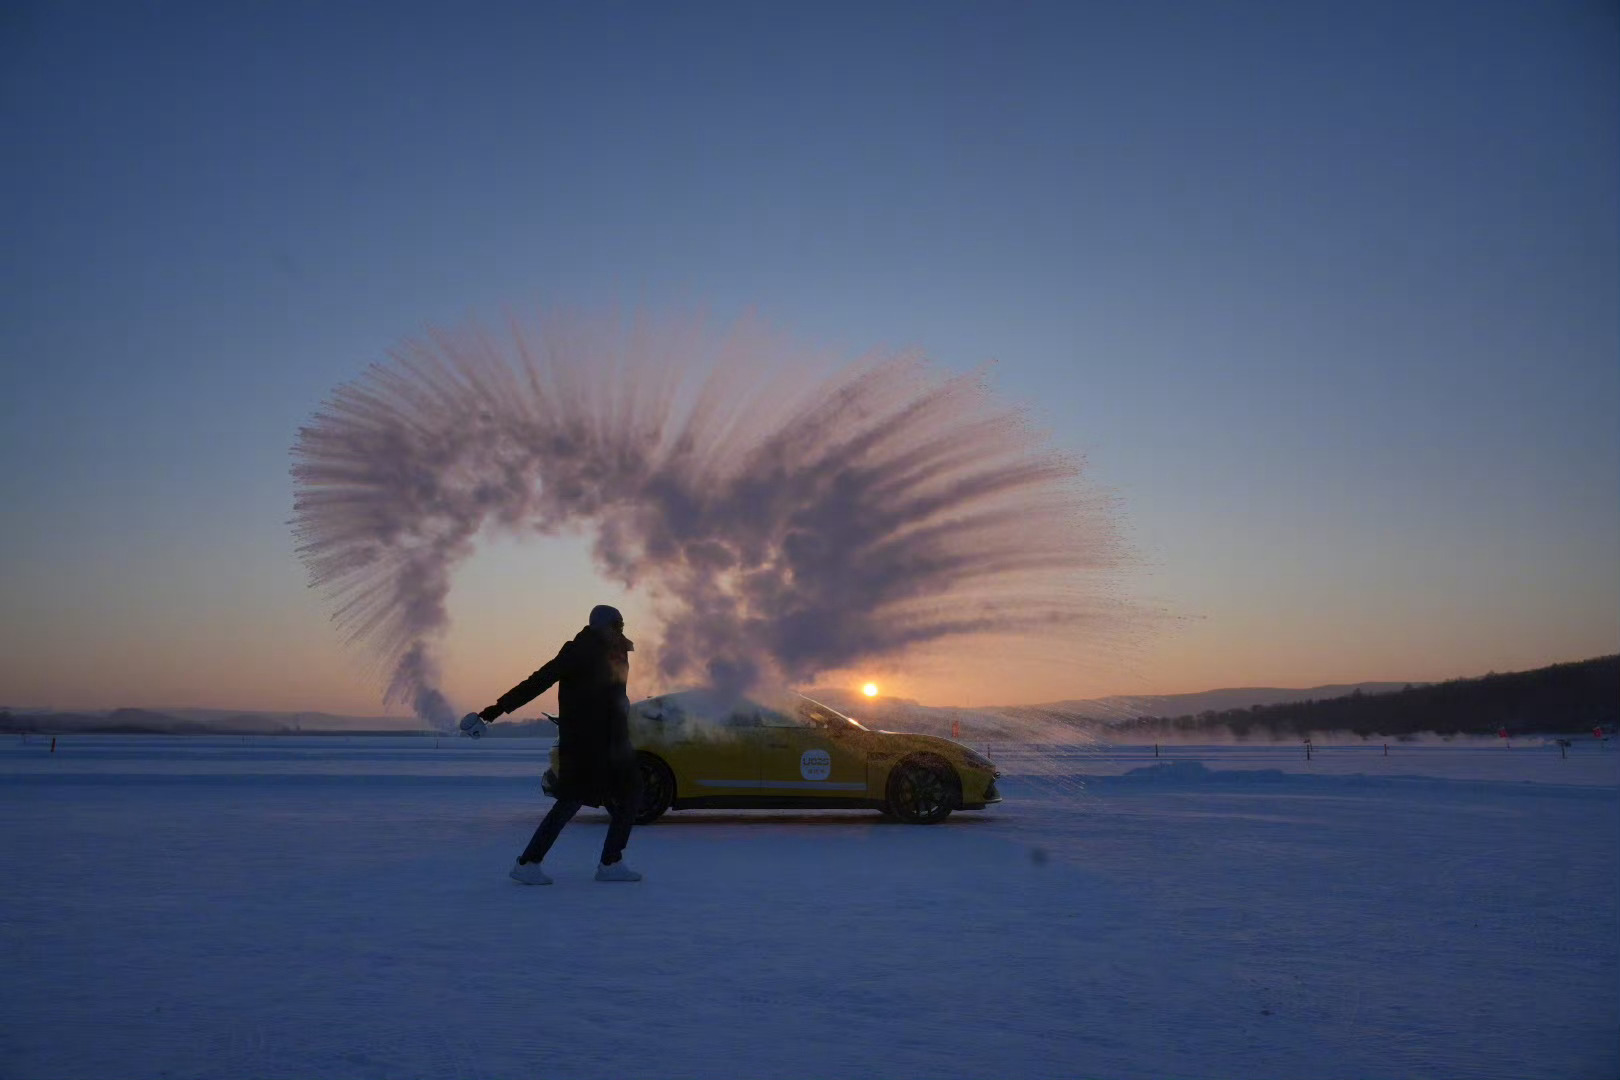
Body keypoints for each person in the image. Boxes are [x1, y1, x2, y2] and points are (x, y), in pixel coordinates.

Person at [475, 604, 643, 884]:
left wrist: (622, 707)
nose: (621, 630)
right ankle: (528, 864)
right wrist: (495, 710)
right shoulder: (578, 651)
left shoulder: (618, 651)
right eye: (617, 625)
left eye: (622, 625)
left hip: (615, 741)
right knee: (570, 802)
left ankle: (611, 863)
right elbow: (538, 681)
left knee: (631, 792)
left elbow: (615, 693)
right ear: (603, 626)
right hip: (584, 742)